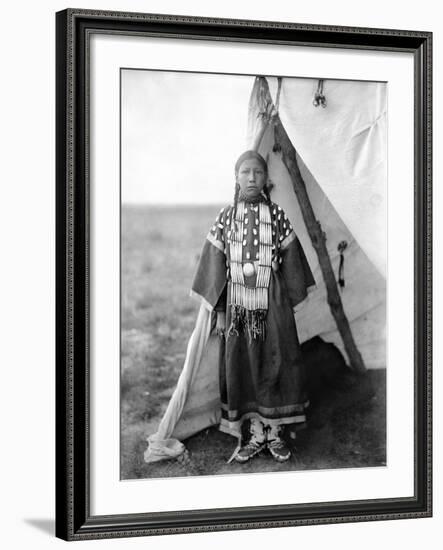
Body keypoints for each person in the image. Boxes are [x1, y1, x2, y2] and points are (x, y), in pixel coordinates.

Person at [191, 150, 315, 463]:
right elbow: (214, 265)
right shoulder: (225, 217)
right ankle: (255, 432)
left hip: (272, 302)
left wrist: (285, 304)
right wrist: (220, 311)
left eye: (257, 173)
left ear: (265, 179)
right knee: (242, 362)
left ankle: (276, 433)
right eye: (245, 172)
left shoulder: (277, 216)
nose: (251, 178)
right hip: (237, 305)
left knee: (277, 360)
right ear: (236, 177)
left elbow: (293, 264)